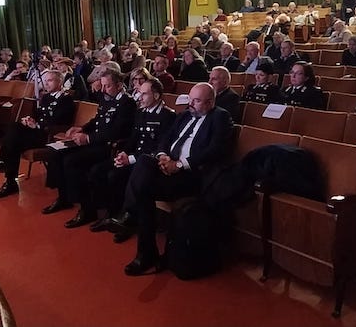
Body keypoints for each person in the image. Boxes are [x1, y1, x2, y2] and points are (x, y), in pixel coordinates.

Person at [121, 82, 233, 276]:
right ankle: (145, 249)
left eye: (196, 101)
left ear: (210, 102)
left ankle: (143, 248)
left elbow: (215, 150)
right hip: (168, 167)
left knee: (143, 192)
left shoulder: (220, 117)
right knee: (145, 162)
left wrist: (180, 165)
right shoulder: (184, 115)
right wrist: (163, 156)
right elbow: (165, 139)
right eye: (190, 99)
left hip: (192, 175)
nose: (190, 104)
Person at [41, 70, 137, 224]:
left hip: (109, 146)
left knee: (72, 161)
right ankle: (64, 198)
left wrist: (88, 138)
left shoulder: (127, 103)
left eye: (107, 86)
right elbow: (97, 120)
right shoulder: (107, 98)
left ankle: (87, 209)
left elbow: (116, 131)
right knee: (56, 152)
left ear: (119, 85)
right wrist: (82, 128)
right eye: (102, 85)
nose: (103, 90)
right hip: (95, 141)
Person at [87, 78, 176, 241]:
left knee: (116, 176)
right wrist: (123, 153)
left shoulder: (167, 116)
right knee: (98, 170)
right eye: (139, 93)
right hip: (133, 157)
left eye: (144, 94)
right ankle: (112, 215)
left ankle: (127, 222)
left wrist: (131, 159)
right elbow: (133, 139)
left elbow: (161, 148)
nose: (139, 97)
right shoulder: (141, 112)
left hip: (149, 164)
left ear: (156, 95)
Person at [0, 69, 76, 198]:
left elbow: (60, 121)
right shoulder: (46, 97)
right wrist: (30, 120)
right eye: (45, 81)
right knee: (14, 127)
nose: (46, 84)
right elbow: (39, 115)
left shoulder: (66, 99)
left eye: (50, 81)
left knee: (14, 141)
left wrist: (37, 125)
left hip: (48, 135)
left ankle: (7, 175)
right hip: (37, 132)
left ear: (59, 82)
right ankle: (7, 174)